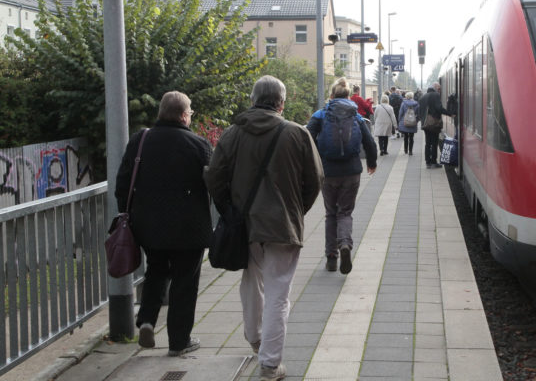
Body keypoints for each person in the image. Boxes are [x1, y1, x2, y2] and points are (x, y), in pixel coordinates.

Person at [204, 76, 323, 381]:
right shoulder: (297, 133)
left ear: (253, 99)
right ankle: (270, 364)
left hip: (245, 224)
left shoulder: (233, 134)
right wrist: (296, 210)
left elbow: (214, 176)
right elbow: (315, 179)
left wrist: (230, 211)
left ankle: (255, 339)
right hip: (282, 226)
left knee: (251, 282)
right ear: (281, 103)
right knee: (278, 293)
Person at [115, 91, 211, 357]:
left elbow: (123, 182)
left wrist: (128, 214)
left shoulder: (141, 141)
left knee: (156, 271)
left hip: (148, 226)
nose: (190, 115)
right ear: (183, 115)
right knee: (185, 281)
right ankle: (179, 341)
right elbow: (213, 183)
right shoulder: (198, 144)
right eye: (190, 112)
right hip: (189, 228)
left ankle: (146, 320)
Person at [307, 77, 377, 275]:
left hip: (327, 172)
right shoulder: (355, 115)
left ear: (331, 95)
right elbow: (370, 143)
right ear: (348, 96)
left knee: (331, 214)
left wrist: (310, 166)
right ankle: (345, 244)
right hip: (351, 171)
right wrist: (372, 163)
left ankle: (331, 258)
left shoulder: (320, 115)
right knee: (345, 212)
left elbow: (307, 140)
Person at [418, 82, 453, 169]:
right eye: (439, 88)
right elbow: (439, 108)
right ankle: (434, 161)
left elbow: (419, 112)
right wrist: (450, 114)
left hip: (425, 124)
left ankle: (427, 162)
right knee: (434, 143)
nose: (439, 90)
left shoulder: (422, 97)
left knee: (427, 143)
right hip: (434, 123)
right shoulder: (435, 95)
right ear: (435, 88)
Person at [397, 91, 420, 155]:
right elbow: (418, 114)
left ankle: (405, 150)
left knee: (406, 137)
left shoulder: (403, 103)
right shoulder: (416, 104)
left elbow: (400, 113)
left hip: (405, 122)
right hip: (413, 122)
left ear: (406, 96)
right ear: (412, 96)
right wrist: (416, 120)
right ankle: (410, 151)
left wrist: (399, 120)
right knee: (411, 137)